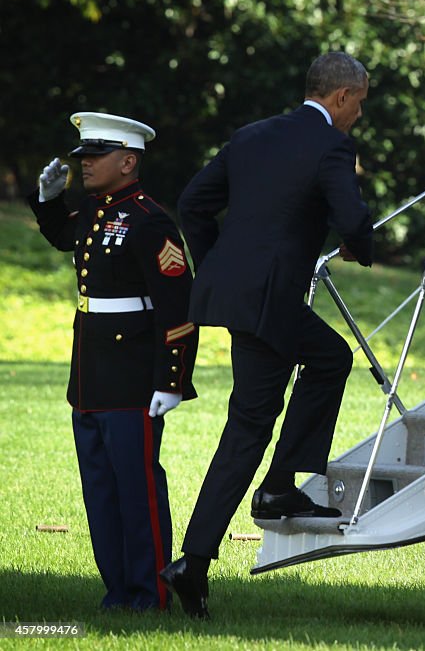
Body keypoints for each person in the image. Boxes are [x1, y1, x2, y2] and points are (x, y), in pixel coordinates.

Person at [160, 51, 374, 618]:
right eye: (361, 104)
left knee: (320, 363)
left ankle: (260, 503)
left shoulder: (253, 135)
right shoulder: (333, 144)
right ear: (342, 97)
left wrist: (220, 269)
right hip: (268, 303)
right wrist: (361, 247)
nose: (359, 116)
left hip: (245, 298)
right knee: (258, 418)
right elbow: (351, 219)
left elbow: (192, 203)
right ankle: (207, 549)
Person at [28, 112, 199, 611]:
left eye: (95, 156)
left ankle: (153, 595)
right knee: (101, 493)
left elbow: (178, 309)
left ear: (128, 161)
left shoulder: (149, 220)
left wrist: (171, 380)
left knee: (137, 491)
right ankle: (118, 592)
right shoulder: (95, 210)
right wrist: (47, 200)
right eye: (83, 156)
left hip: (132, 380)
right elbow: (65, 237)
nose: (84, 164)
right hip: (90, 377)